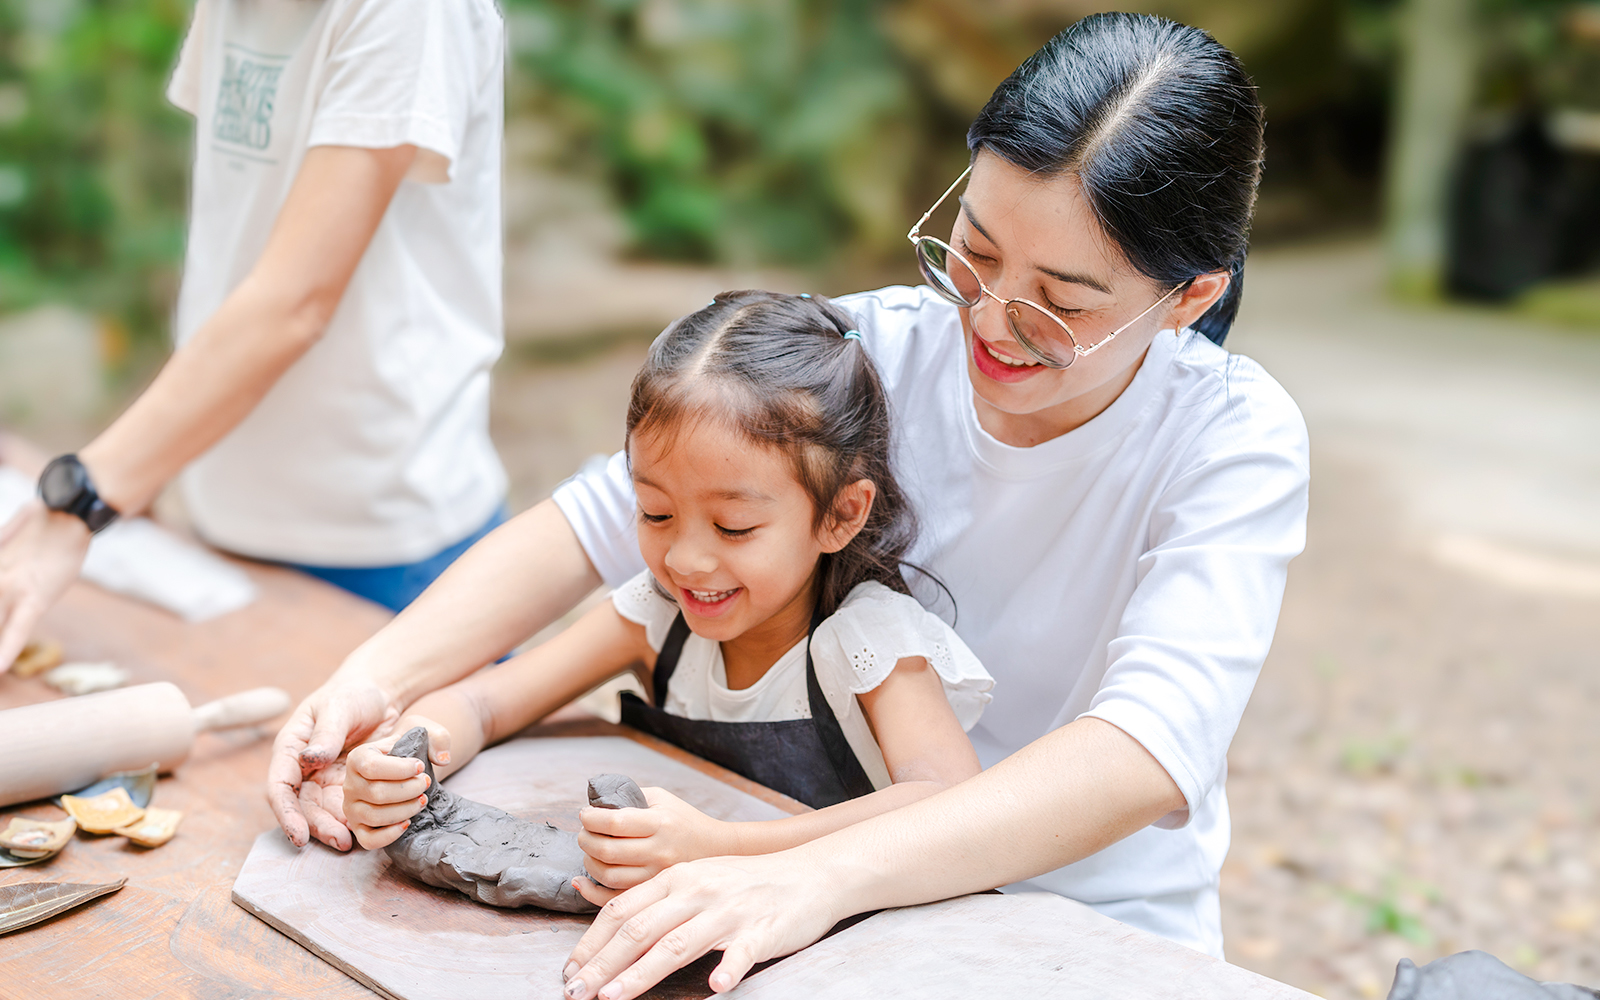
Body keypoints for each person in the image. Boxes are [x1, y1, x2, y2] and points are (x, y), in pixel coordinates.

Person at [268, 11, 1308, 990]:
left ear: (1189, 298)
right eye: (976, 253)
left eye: (1058, 305)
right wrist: (374, 684)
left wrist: (801, 871)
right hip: (832, 876)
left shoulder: (1228, 439)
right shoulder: (875, 347)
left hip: (1080, 922)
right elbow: (590, 522)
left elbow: (1143, 749)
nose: (991, 321)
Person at [337, 291, 993, 890]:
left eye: (733, 526)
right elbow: (483, 702)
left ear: (840, 515)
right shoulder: (659, 615)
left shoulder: (870, 644)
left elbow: (950, 801)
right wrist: (404, 763)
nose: (684, 559)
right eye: (655, 513)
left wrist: (722, 847)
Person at [0, 0, 508, 669]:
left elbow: (294, 301)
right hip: (228, 518)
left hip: (381, 540)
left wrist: (85, 498)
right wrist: (149, 467)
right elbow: (238, 250)